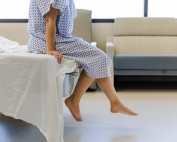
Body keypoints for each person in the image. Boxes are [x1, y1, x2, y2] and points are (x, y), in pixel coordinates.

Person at [27, 0, 138, 121]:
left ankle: (109, 102)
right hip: (46, 41)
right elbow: (50, 20)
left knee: (99, 59)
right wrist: (50, 49)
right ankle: (77, 101)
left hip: (58, 39)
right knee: (100, 58)